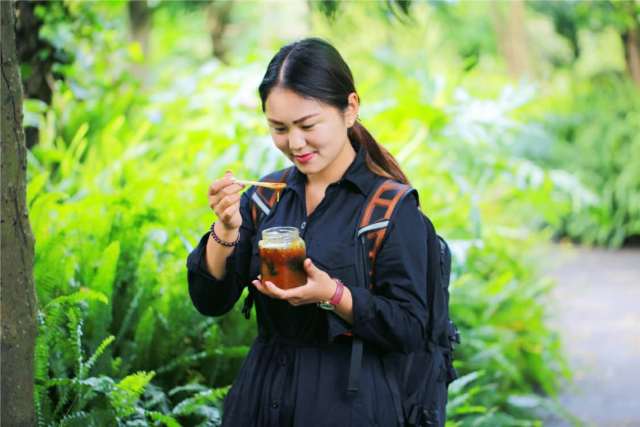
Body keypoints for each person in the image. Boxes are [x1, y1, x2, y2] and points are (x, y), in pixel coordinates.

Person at [186, 37, 428, 426]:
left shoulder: (390, 208)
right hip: (261, 401)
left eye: (307, 125)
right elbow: (209, 300)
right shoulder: (265, 198)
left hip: (350, 406)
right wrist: (226, 227)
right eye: (278, 128)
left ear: (350, 108)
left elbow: (412, 328)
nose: (294, 143)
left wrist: (334, 295)